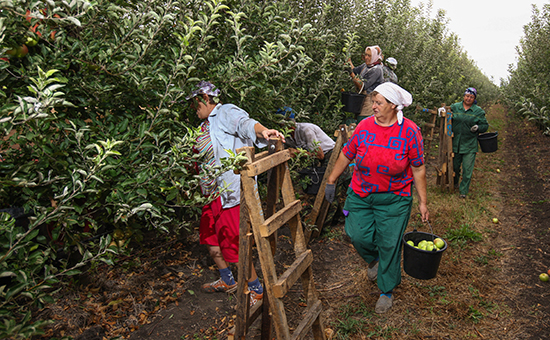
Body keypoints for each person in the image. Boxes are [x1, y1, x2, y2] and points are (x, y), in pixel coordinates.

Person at [324, 82, 429, 314]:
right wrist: (331, 179)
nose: (373, 106)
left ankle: (386, 290)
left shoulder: (410, 131)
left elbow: (418, 168)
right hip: (360, 193)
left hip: (394, 198)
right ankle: (373, 260)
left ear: (393, 105)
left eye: (378, 102)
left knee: (389, 244)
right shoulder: (364, 126)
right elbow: (346, 154)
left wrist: (422, 202)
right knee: (355, 234)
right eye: (373, 101)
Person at [187, 80, 285, 306]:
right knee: (212, 241)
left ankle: (256, 288)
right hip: (210, 194)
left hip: (228, 195)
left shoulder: (224, 112)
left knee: (234, 245)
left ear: (207, 97)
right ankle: (227, 280)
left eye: (196, 101)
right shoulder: (203, 126)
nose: (194, 106)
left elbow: (245, 123)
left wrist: (264, 131)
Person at [450, 87, 489, 198]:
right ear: (464, 96)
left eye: (471, 97)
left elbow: (485, 126)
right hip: (455, 143)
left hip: (470, 144)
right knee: (455, 167)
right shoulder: (455, 107)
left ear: (474, 99)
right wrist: (441, 110)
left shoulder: (478, 111)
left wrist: (478, 127)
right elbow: (446, 111)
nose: (468, 98)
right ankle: (455, 183)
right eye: (467, 96)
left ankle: (463, 191)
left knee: (467, 169)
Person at [346, 45, 385, 121]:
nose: (366, 57)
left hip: (369, 102)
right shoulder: (366, 66)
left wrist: (351, 73)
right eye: (366, 55)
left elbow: (362, 86)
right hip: (361, 99)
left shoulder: (377, 70)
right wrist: (348, 60)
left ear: (375, 56)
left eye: (369, 56)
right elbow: (354, 71)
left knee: (363, 121)